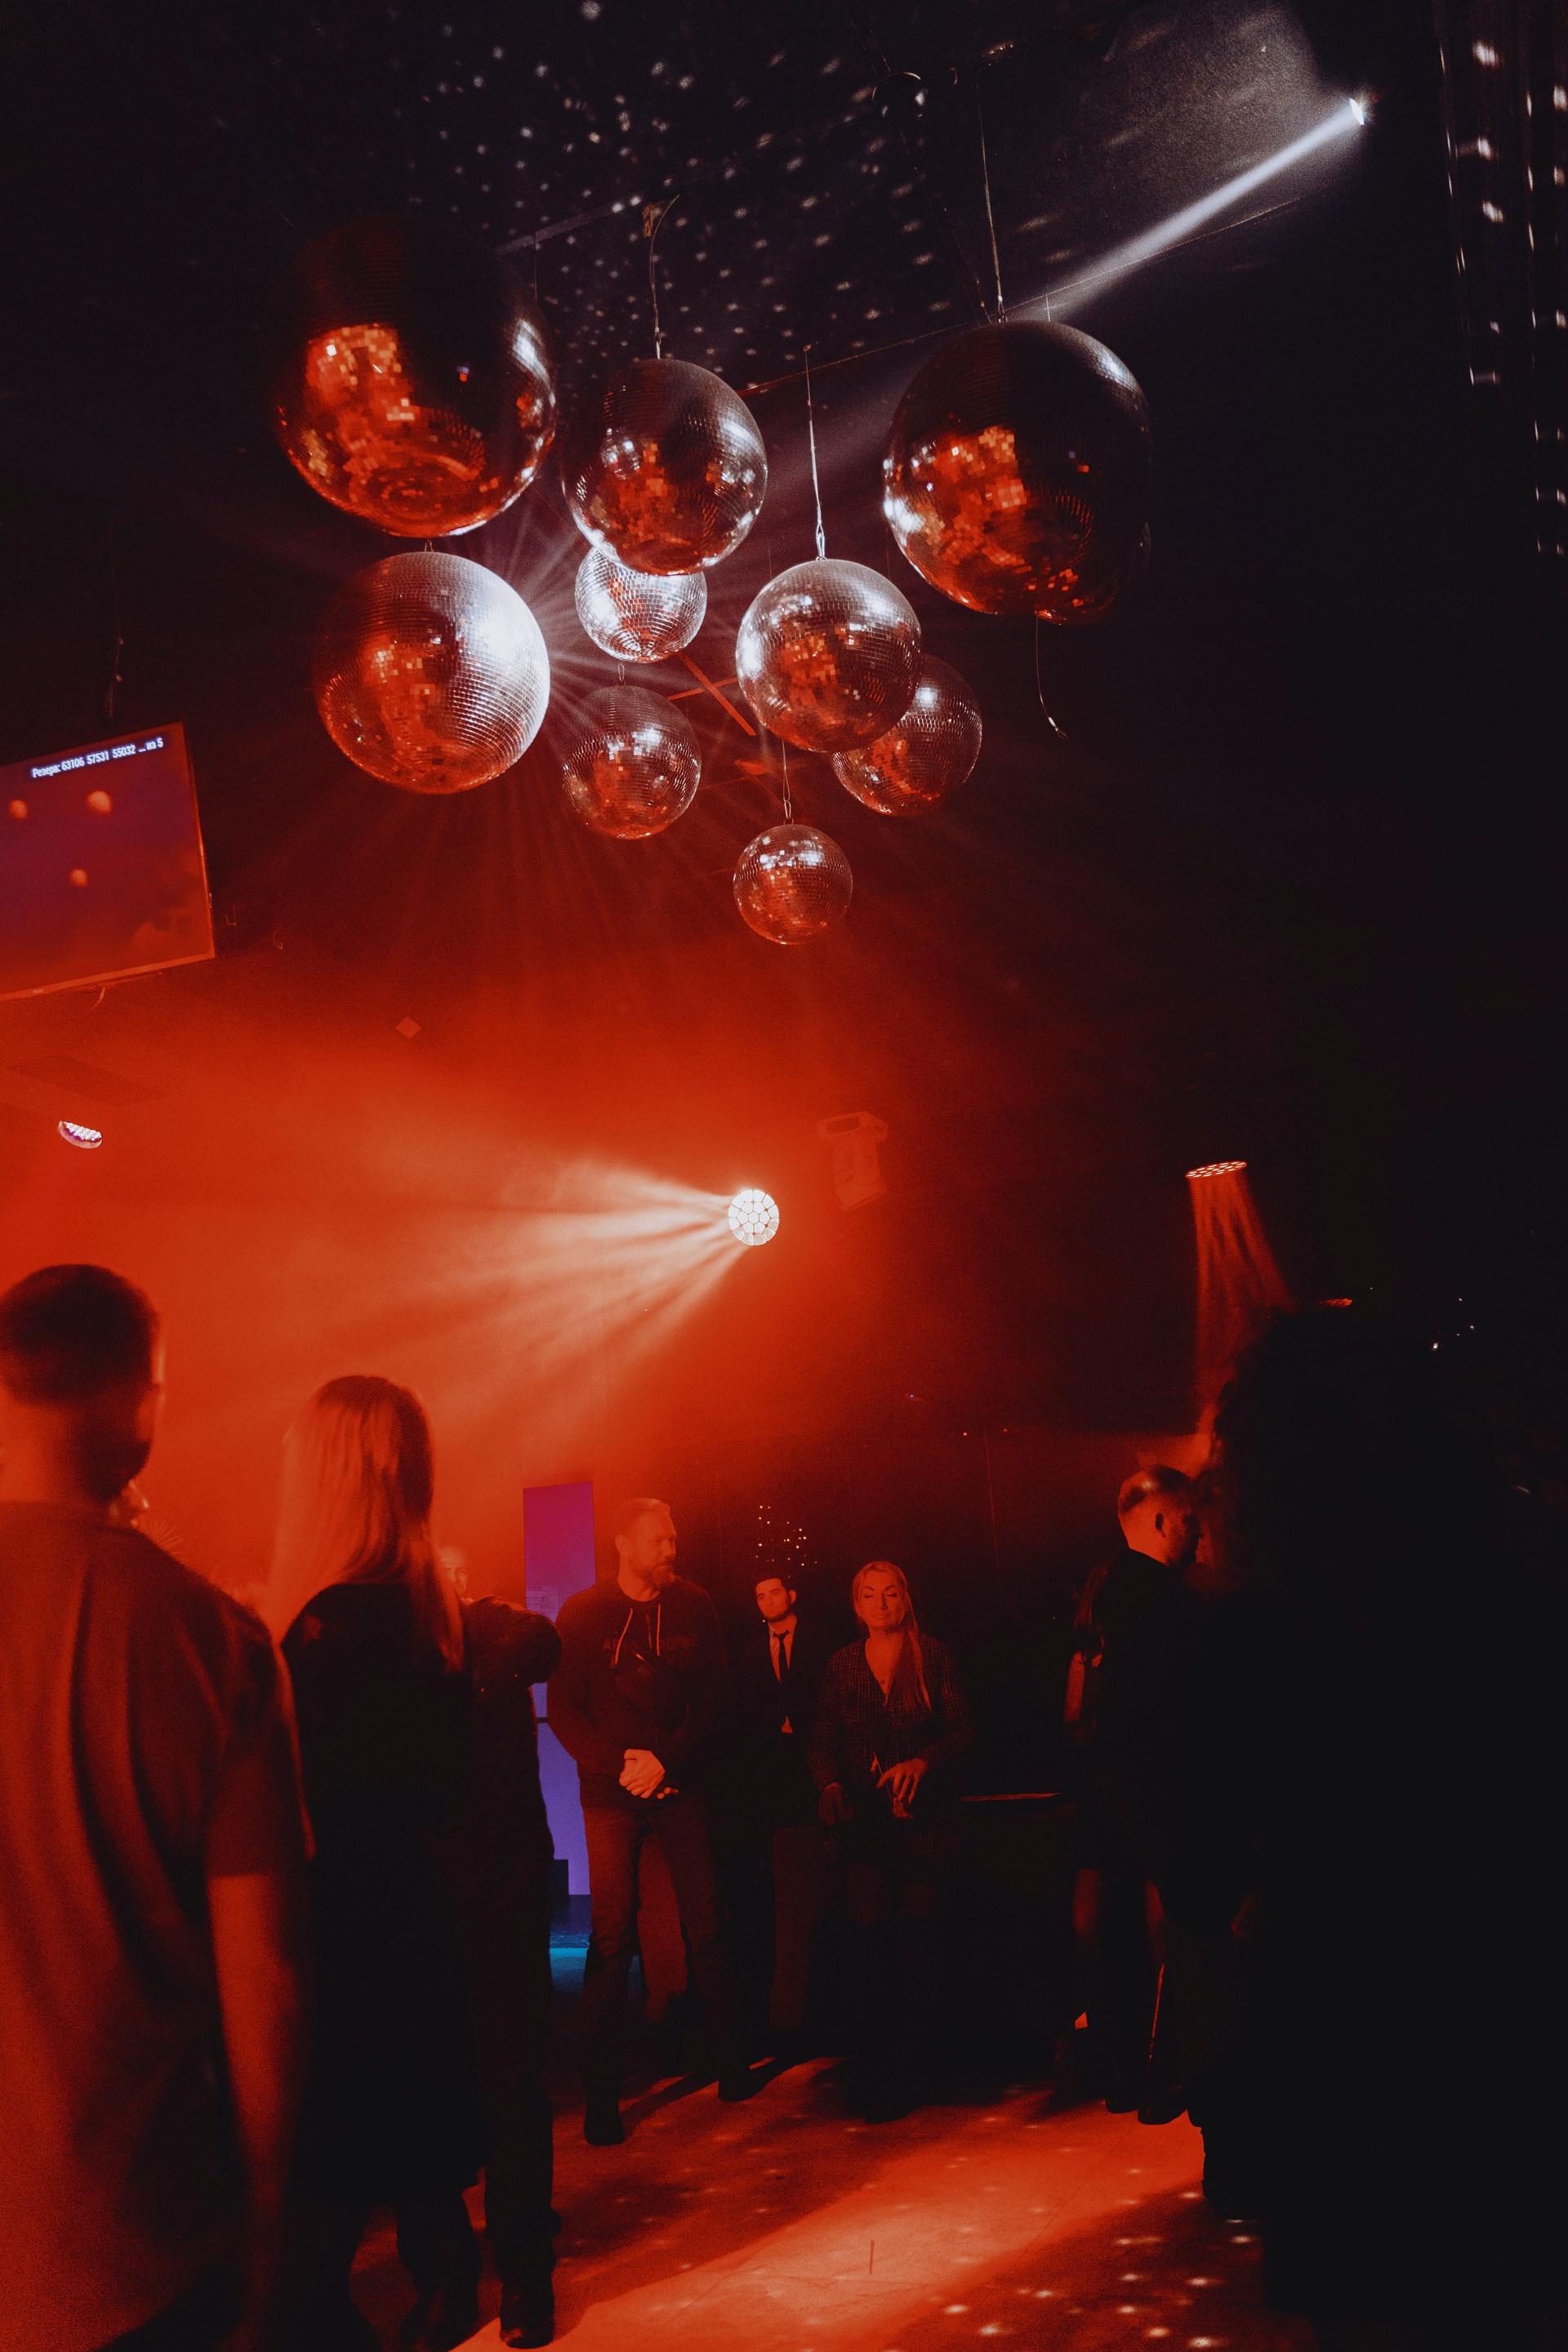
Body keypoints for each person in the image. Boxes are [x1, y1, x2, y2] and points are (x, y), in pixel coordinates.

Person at [1174, 1309, 1560, 2348]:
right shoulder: (1520, 1606)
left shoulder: (1251, 1637)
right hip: (1507, 2034)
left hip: (1344, 2048)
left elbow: (1201, 1881)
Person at [0, 1264, 310, 2352]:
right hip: (136, 2260)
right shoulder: (213, 1644)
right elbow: (267, 1983)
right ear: (143, 1406)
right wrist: (266, 2235)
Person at [271, 1379, 481, 2352]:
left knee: (337, 2143)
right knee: (402, 2118)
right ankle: (446, 2281)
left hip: (343, 1911)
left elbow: (305, 1799)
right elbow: (438, 1787)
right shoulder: (425, 1601)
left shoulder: (332, 1623)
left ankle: (419, 2288)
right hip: (409, 1901)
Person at [547, 1497, 749, 2144]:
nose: (671, 1550)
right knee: (612, 1937)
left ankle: (732, 2065)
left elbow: (716, 1699)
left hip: (680, 1783)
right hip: (612, 1794)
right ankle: (603, 2096)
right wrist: (622, 1766)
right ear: (624, 1544)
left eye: (673, 1539)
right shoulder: (583, 1612)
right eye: (659, 1540)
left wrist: (666, 1760)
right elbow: (565, 1710)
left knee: (707, 1922)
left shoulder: (694, 1604)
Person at [440, 1588, 563, 2350]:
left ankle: (523, 2275)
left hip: (504, 1894)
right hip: (426, 1902)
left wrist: (469, 1673)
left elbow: (544, 1644)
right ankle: (447, 2279)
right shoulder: (381, 1641)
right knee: (430, 2093)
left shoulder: (486, 1625)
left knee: (512, 2088)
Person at [809, 1561, 973, 2120]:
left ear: (906, 1599)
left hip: (925, 1820)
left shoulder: (934, 1656)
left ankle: (911, 2072)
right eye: (869, 1595)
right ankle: (871, 2071)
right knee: (870, 1948)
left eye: (890, 1594)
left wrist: (924, 1763)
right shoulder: (842, 1664)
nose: (880, 1604)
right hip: (867, 1824)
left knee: (917, 1948)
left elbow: (964, 1733)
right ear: (856, 1605)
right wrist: (830, 1784)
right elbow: (822, 1740)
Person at [1070, 1466, 1195, 2116]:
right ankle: (1157, 2068)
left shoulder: (1113, 1592)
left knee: (1104, 1922)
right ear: (1160, 1520)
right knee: (1156, 1923)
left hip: (1113, 1781)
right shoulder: (1166, 1598)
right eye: (1188, 1519)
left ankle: (1129, 2067)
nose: (1196, 1532)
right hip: (1150, 1780)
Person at [734, 1572, 833, 2045]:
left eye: (775, 1592)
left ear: (791, 1596)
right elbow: (750, 1709)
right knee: (785, 1849)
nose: (768, 1600)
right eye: (760, 1595)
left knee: (818, 1840)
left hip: (818, 1748)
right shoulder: (754, 1651)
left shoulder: (821, 1639)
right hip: (775, 1760)